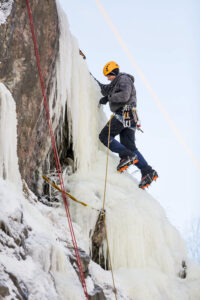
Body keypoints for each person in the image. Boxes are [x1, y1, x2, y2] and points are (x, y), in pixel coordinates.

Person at [96, 61, 158, 189]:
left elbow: (124, 95)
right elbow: (103, 89)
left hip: (123, 113)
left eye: (108, 75)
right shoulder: (114, 84)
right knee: (129, 145)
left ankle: (127, 156)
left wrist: (109, 98)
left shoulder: (123, 79)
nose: (107, 78)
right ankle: (147, 171)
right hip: (131, 117)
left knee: (104, 136)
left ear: (113, 72)